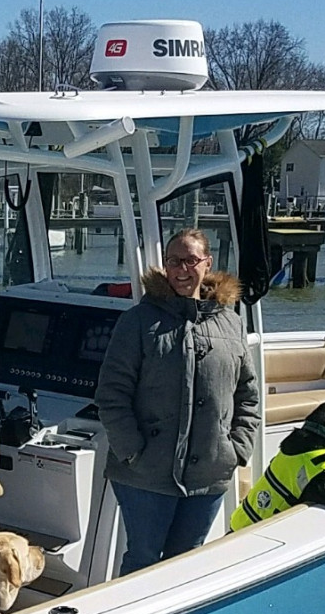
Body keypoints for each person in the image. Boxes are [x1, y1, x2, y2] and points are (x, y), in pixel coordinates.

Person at [95, 228, 260, 575]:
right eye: (174, 261)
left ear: (208, 263)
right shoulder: (138, 321)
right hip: (145, 475)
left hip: (209, 474)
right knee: (142, 560)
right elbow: (111, 394)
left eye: (191, 260)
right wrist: (133, 451)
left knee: (185, 565)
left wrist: (236, 450)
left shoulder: (230, 323)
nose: (182, 270)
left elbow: (247, 395)